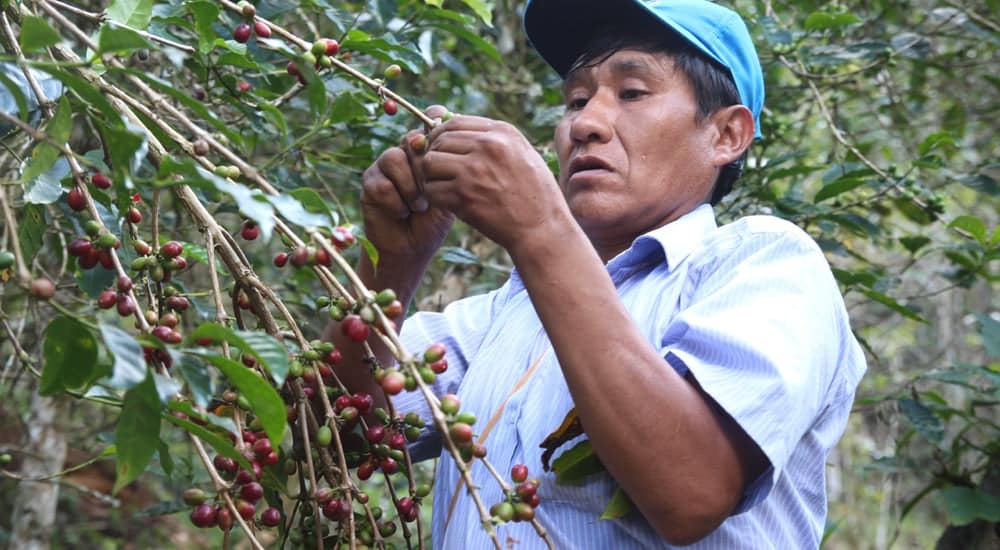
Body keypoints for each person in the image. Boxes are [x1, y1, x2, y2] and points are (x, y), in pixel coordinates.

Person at [327, 0, 867, 547]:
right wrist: (389, 262)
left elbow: (692, 490)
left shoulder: (764, 264)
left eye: (632, 93)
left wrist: (541, 230)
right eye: (577, 100)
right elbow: (338, 432)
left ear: (726, 135)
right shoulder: (502, 317)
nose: (585, 123)